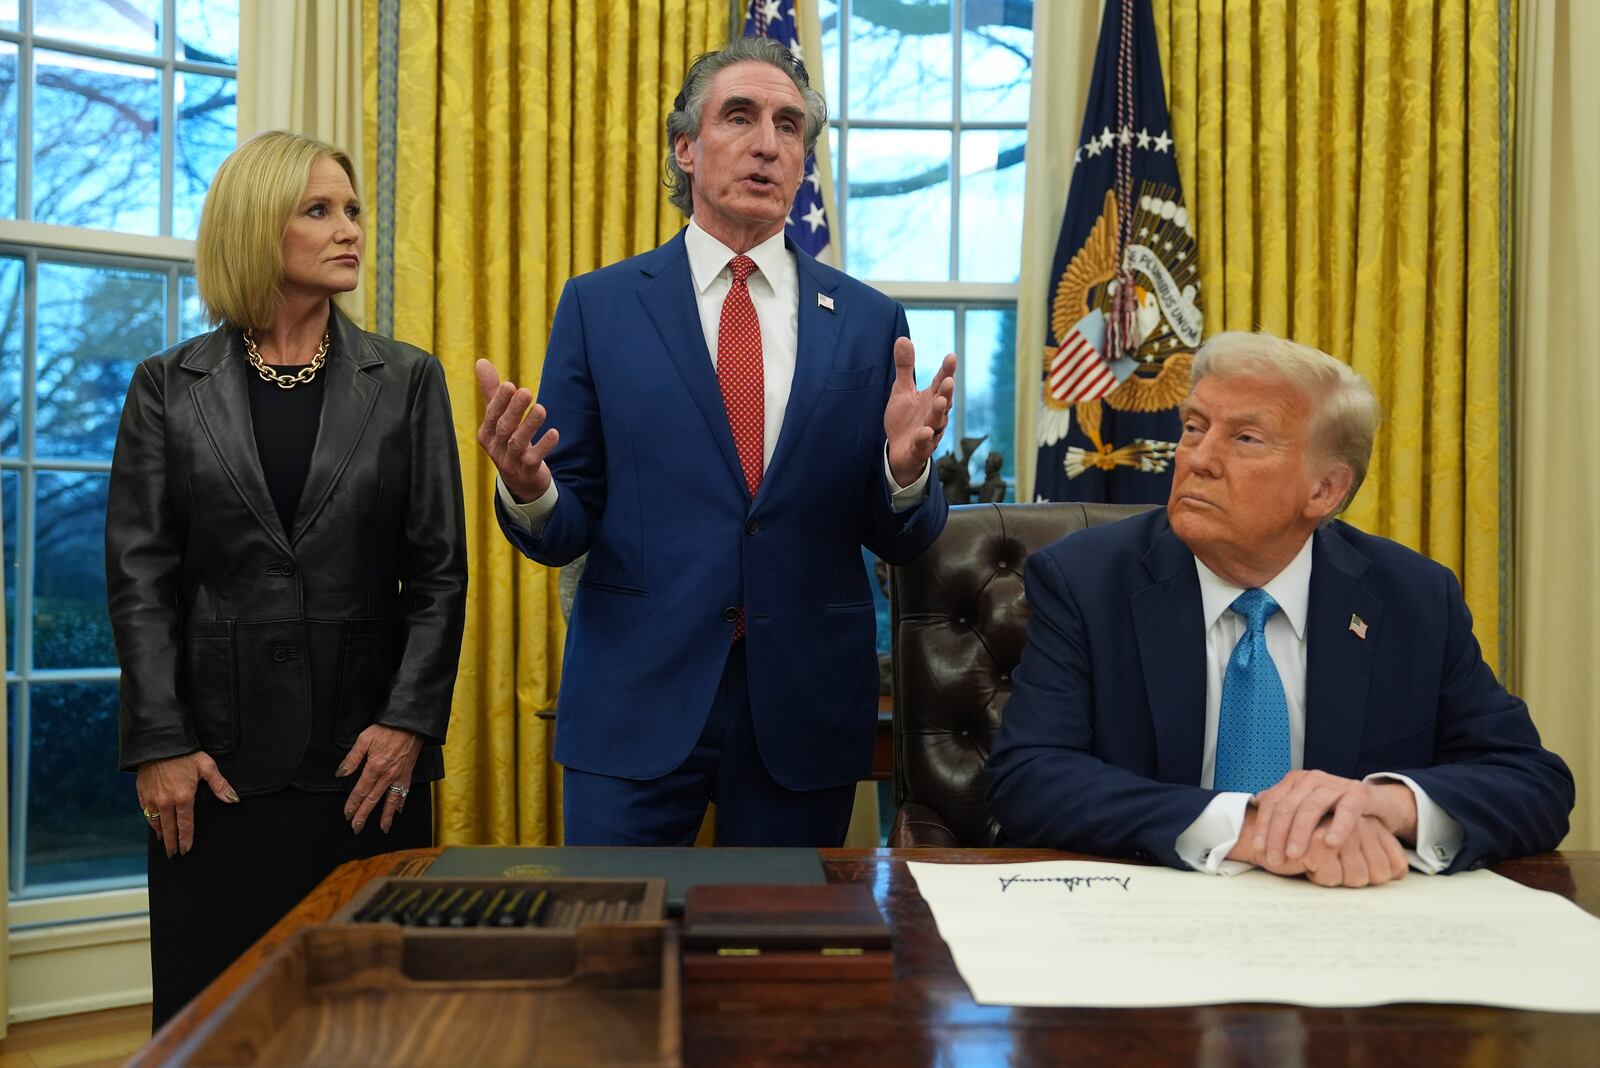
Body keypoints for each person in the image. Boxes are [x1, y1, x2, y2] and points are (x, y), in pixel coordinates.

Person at [475, 37, 954, 847]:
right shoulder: (601, 307)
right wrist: (530, 488)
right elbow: (568, 525)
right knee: (620, 957)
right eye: (740, 116)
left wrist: (903, 475)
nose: (769, 142)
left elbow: (896, 535)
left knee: (782, 966)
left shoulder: (871, 322)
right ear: (685, 148)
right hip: (634, 700)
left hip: (802, 709)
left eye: (790, 125)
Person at [987, 331, 1572, 886]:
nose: (1198, 458)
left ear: (1324, 491)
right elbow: (1030, 777)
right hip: (1147, 924)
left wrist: (1386, 805)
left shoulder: (1413, 598)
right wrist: (1248, 827)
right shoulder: (1086, 580)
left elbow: (1532, 782)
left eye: (1245, 439)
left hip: (1350, 927)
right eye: (1194, 427)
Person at [107, 131, 467, 1026]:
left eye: (351, 209)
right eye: (319, 210)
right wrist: (158, 742)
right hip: (212, 771)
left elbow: (439, 576)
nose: (348, 228)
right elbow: (138, 579)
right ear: (255, 227)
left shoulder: (409, 382)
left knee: (367, 1020)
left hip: (364, 766)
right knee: (211, 1020)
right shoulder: (165, 386)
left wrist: (408, 724)